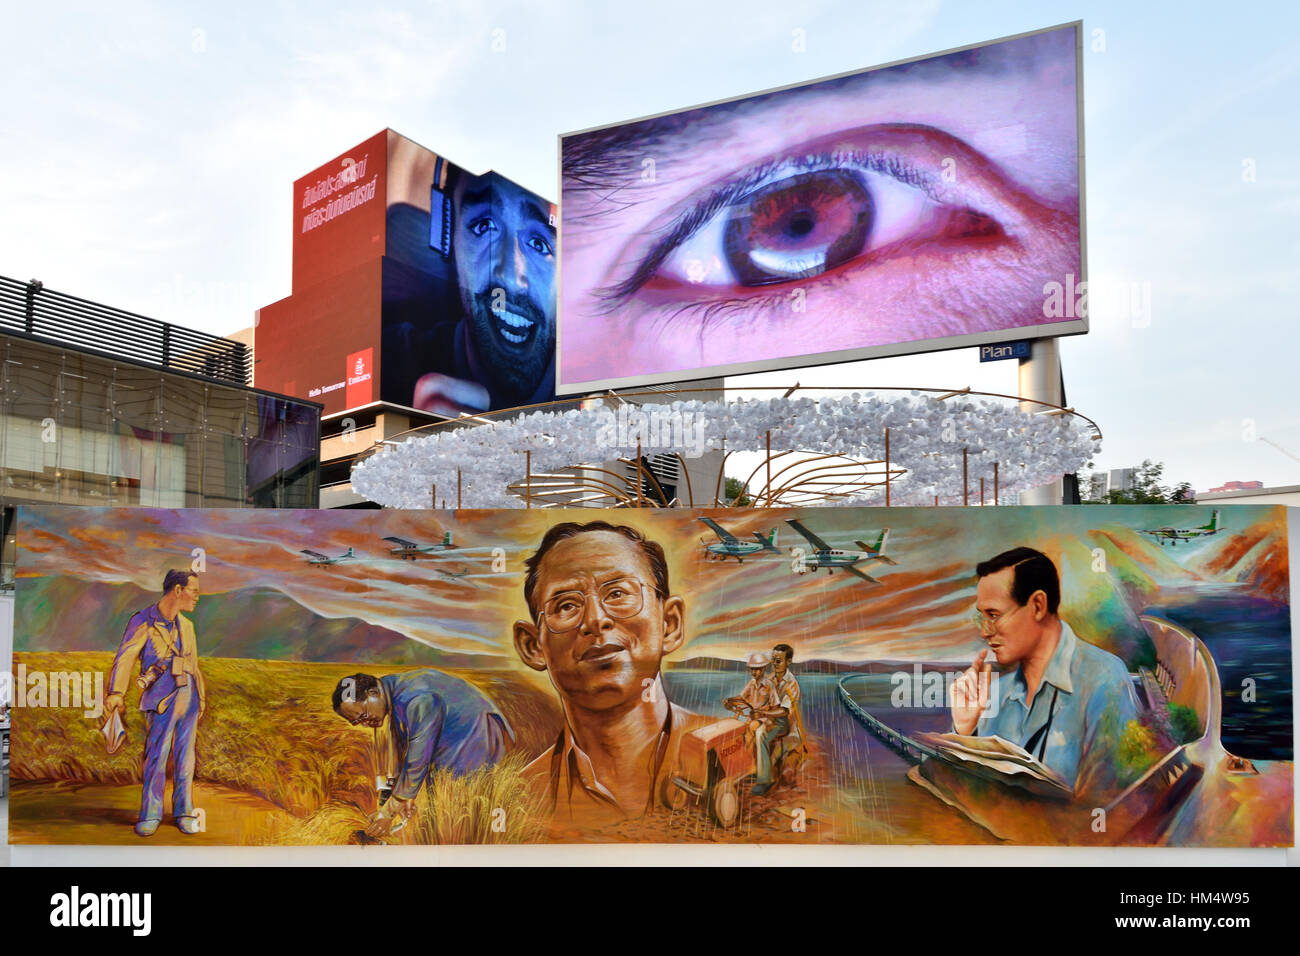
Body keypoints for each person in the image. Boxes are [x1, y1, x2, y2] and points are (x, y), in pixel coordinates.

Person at [512, 520, 705, 824]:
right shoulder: (519, 799)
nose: (595, 620)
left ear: (670, 624)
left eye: (617, 593)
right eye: (565, 606)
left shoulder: (734, 749)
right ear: (533, 646)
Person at [950, 547, 1139, 798]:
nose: (985, 631)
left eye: (993, 615)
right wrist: (965, 732)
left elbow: (1111, 801)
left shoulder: (1104, 678)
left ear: (1037, 605)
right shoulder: (994, 691)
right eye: (981, 617)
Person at [395, 170, 557, 415]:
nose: (512, 279)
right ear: (447, 240)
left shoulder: (605, 396)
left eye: (539, 244)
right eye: (485, 227)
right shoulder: (390, 365)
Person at [332, 670, 514, 839]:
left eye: (363, 715)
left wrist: (389, 811)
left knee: (465, 814)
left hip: (477, 738)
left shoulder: (415, 699)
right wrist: (400, 800)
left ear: (373, 693)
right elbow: (406, 754)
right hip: (465, 740)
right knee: (451, 813)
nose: (365, 724)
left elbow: (417, 758)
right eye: (357, 722)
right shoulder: (395, 693)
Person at [103, 570, 206, 837]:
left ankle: (184, 811)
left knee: (186, 759)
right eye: (193, 590)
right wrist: (116, 692)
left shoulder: (188, 626)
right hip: (160, 700)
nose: (197, 595)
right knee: (157, 757)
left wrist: (201, 698)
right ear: (177, 590)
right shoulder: (143, 620)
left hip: (189, 698)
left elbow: (194, 666)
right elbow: (125, 657)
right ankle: (151, 813)